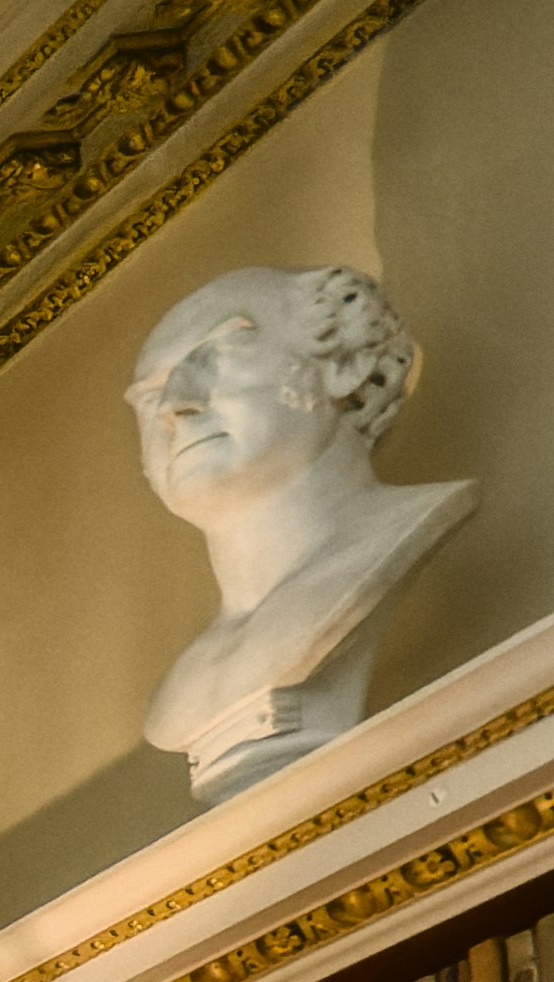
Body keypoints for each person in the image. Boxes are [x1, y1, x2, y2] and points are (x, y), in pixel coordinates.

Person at [124, 263, 473, 800]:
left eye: (219, 352)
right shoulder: (184, 687)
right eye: (150, 397)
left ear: (345, 364)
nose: (176, 405)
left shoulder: (395, 539)